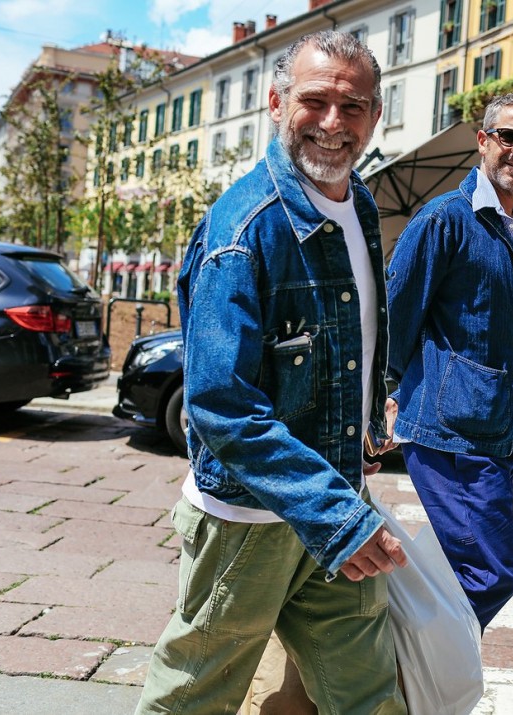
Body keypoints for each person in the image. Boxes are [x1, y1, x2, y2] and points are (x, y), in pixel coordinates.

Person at [135, 31, 408, 715]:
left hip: (335, 496)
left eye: (353, 108)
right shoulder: (243, 230)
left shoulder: (362, 205)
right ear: (277, 102)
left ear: (375, 117)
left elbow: (354, 334)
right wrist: (336, 516)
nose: (332, 123)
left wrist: (371, 416)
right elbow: (221, 405)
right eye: (315, 101)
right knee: (193, 697)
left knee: (369, 694)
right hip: (247, 521)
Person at [383, 91, 513, 631]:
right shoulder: (444, 219)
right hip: (448, 428)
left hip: (496, 428)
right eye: (508, 136)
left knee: (459, 570)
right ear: (483, 141)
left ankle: (416, 680)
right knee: (490, 571)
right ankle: (397, 667)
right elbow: (396, 313)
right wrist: (381, 397)